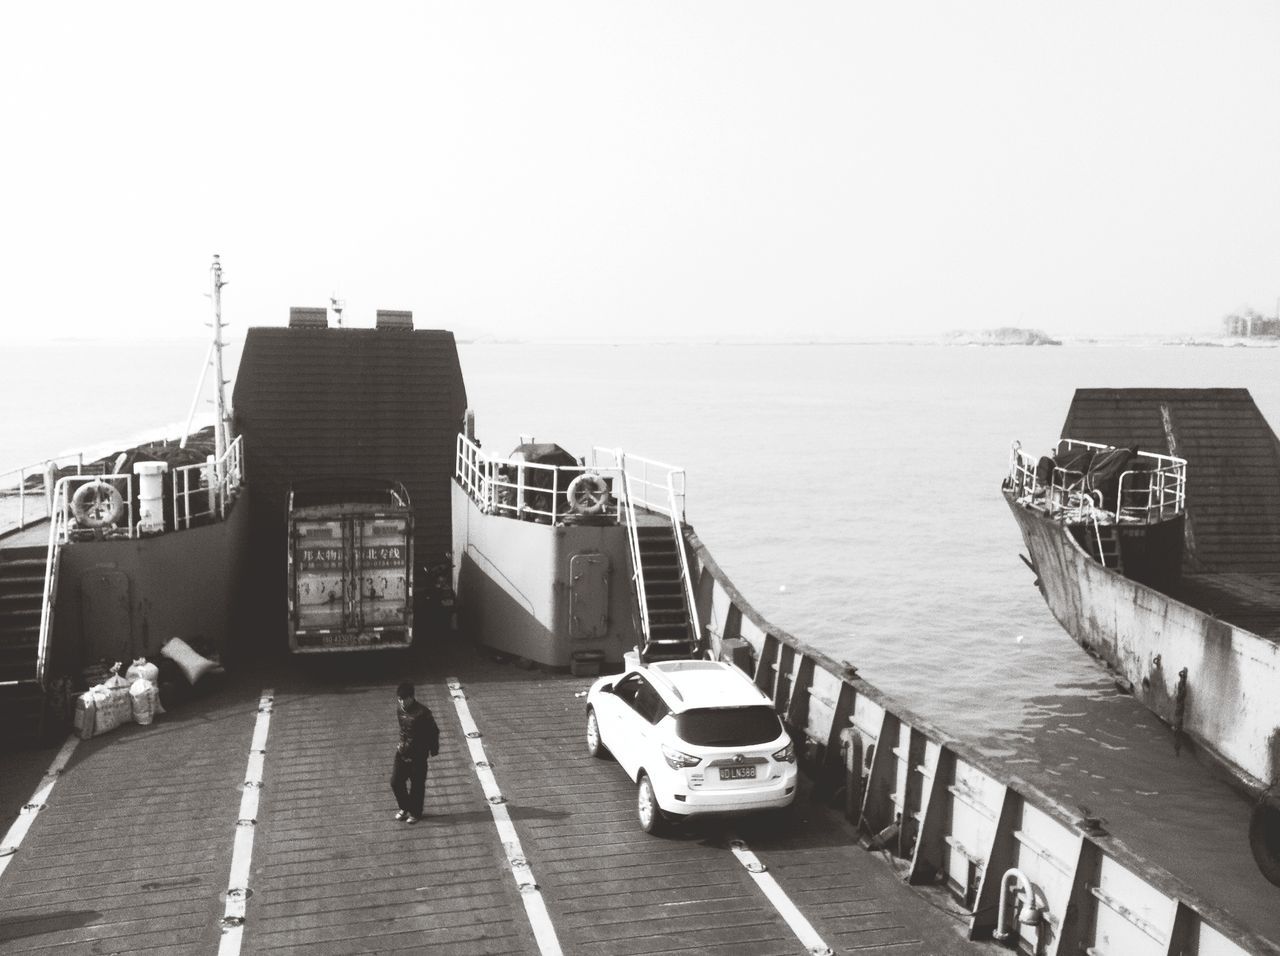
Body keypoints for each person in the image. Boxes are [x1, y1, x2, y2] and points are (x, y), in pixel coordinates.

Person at [390, 681, 440, 824]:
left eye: (404, 699)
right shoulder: (399, 710)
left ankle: (415, 813)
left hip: (418, 755)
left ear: (411, 697)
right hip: (402, 751)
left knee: (417, 785)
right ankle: (405, 807)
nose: (401, 702)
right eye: (399, 699)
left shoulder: (423, 713)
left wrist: (433, 749)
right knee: (395, 782)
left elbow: (433, 731)